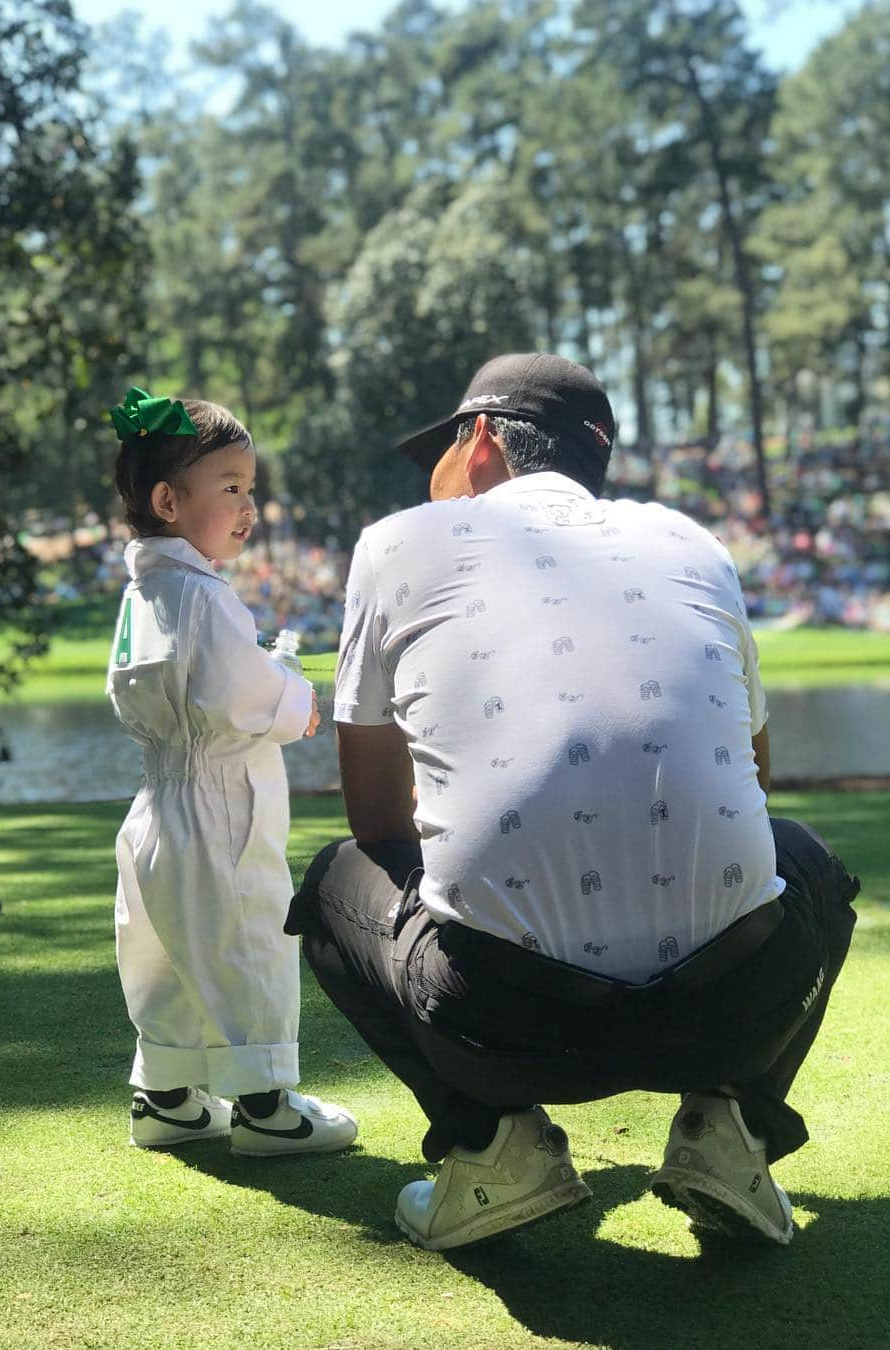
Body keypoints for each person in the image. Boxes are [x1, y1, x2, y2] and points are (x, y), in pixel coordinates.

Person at [287, 353, 859, 1250]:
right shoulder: (692, 542)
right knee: (808, 860)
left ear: (480, 442)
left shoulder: (396, 542)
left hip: (505, 1024)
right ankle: (732, 1130)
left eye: (440, 448)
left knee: (334, 880)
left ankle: (491, 1145)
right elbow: (754, 779)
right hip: (735, 1005)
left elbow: (378, 823)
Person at [106, 387, 357, 1157]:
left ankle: (168, 1095)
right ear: (167, 500)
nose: (250, 506)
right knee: (246, 933)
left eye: (251, 489)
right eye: (231, 488)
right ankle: (264, 1106)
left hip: (158, 802)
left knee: (165, 944)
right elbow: (236, 691)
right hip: (219, 799)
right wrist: (297, 702)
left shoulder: (142, 590)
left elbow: (140, 688)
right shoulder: (204, 595)